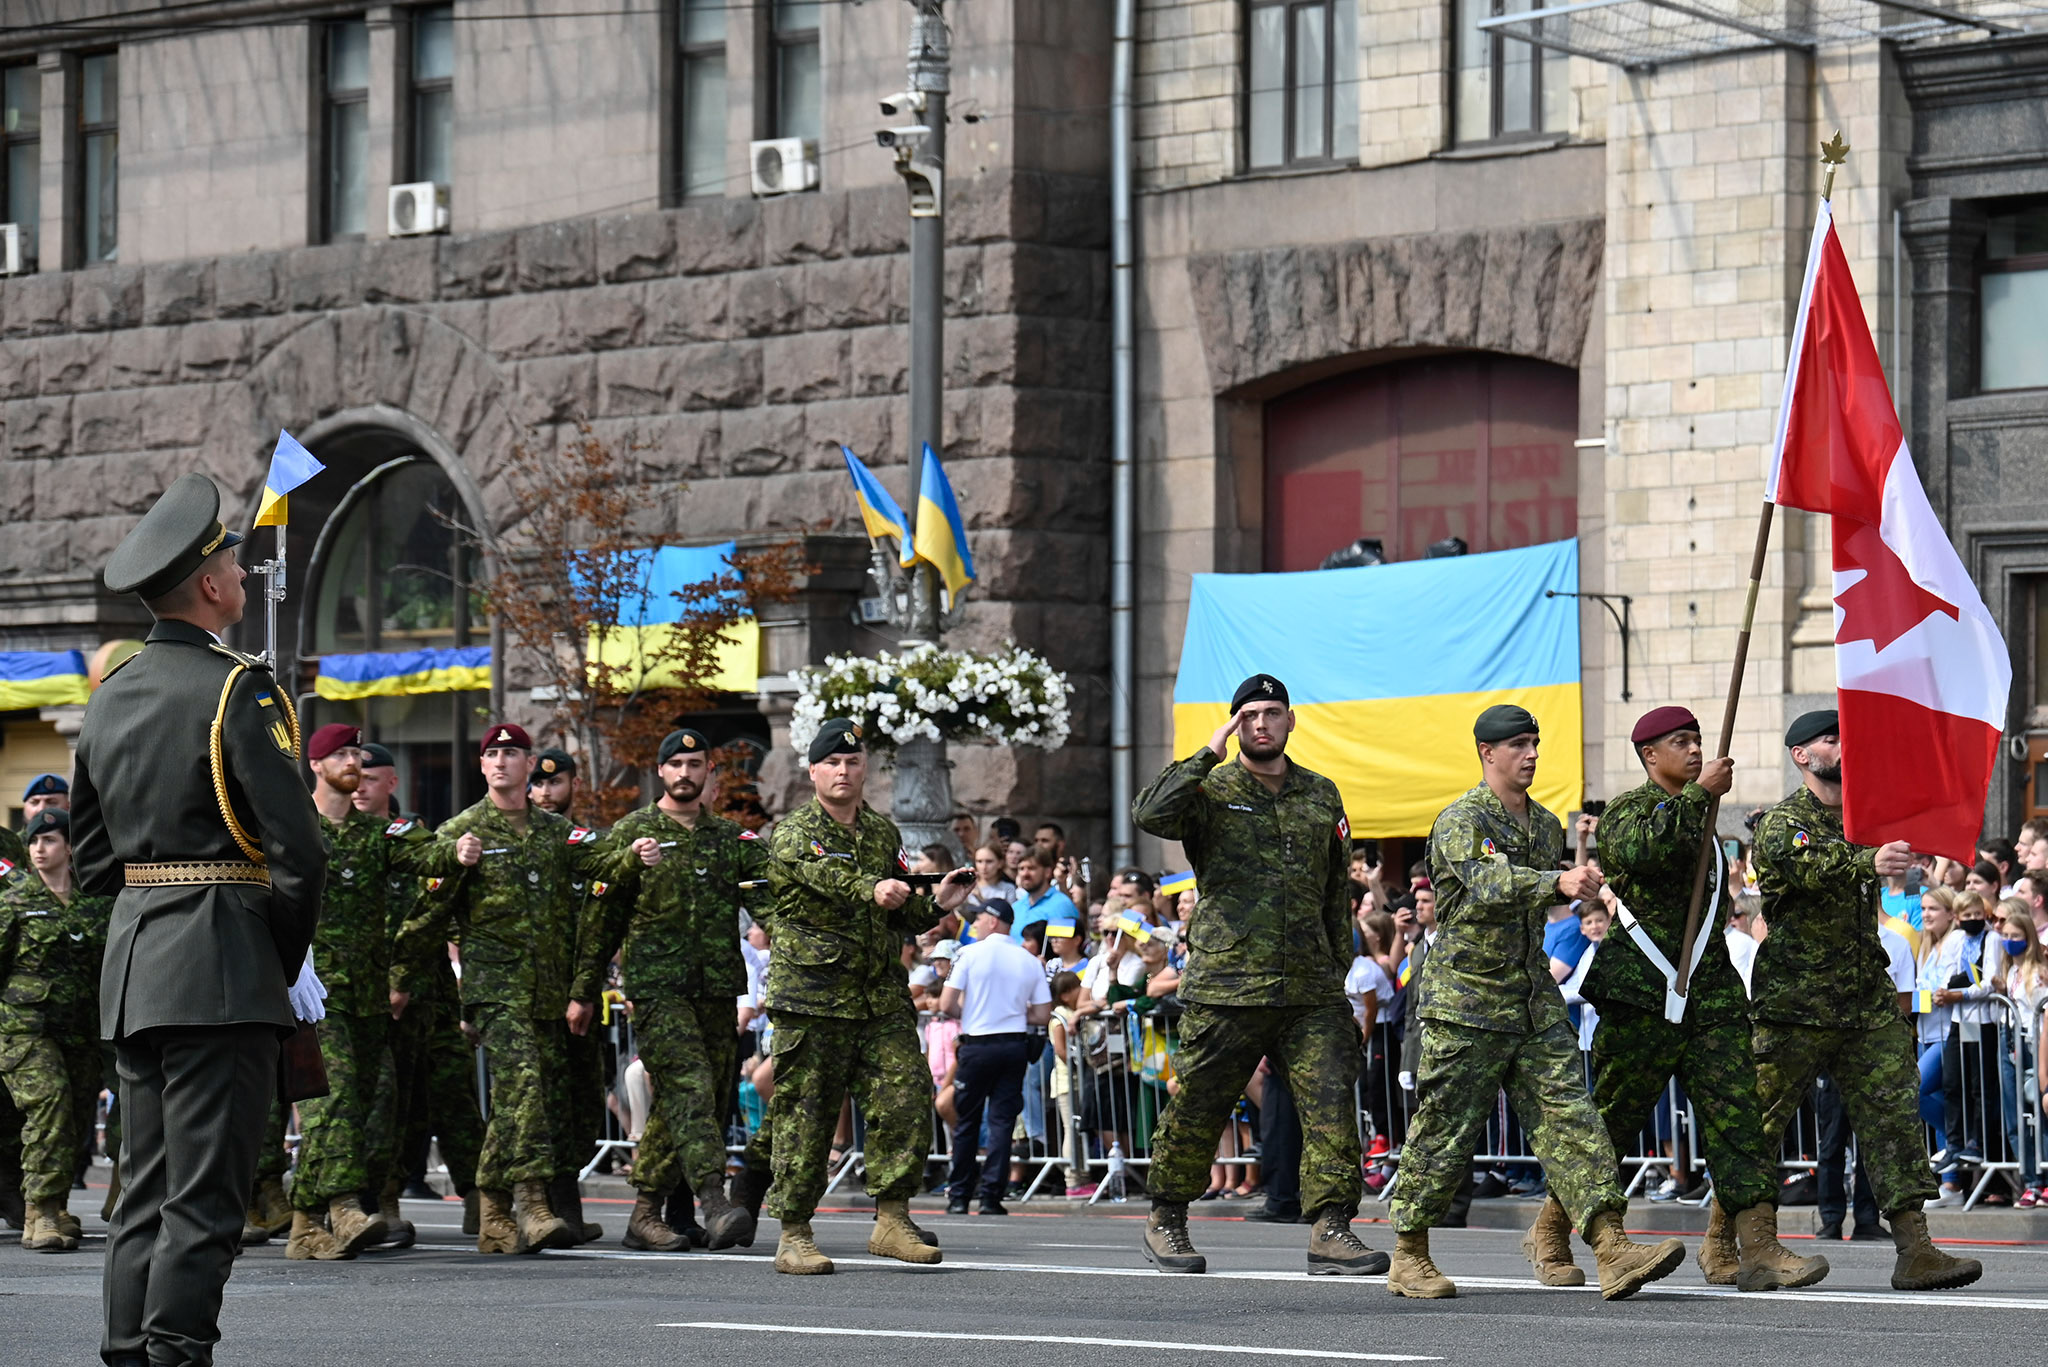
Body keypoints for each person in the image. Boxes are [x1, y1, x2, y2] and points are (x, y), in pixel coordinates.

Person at [70, 474, 327, 1367]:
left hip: (139, 963)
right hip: (222, 965)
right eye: (231, 560)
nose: (241, 573)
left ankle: (125, 1348)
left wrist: (153, 918)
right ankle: (177, 1352)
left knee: (141, 1184)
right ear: (210, 586)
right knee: (209, 1194)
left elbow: (94, 862)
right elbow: (301, 852)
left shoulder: (111, 695)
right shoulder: (238, 691)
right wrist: (278, 958)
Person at [1389, 704, 1684, 1301]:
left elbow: (1549, 892)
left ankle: (1610, 1245)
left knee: (1572, 1117)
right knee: (1445, 1128)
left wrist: (1588, 881)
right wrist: (1555, 882)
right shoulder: (1461, 821)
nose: (1530, 754)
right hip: (1466, 1002)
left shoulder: (1546, 825)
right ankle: (1409, 1250)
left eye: (1535, 743)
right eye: (1518, 744)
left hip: (1532, 1001)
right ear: (1487, 753)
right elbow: (1489, 883)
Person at [1130, 673, 1387, 1278]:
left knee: (1329, 1106)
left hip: (1309, 987)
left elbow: (1332, 889)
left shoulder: (1321, 793)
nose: (1262, 724)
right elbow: (1150, 813)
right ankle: (1166, 1215)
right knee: (1199, 1103)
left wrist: (1336, 969)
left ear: (1292, 721)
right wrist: (1205, 753)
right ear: (1235, 725)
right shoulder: (1210, 791)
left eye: (1273, 712)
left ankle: (1331, 1229)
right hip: (1229, 983)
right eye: (1249, 715)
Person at [1570, 705, 1826, 1292]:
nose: (1694, 751)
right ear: (1649, 756)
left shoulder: (1708, 826)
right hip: (1643, 993)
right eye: (1679, 743)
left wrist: (1704, 805)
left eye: (1697, 741)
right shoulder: (1630, 812)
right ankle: (1556, 1229)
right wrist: (1700, 797)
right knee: (1613, 1122)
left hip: (1708, 995)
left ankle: (1757, 1247)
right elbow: (1643, 851)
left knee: (1740, 1119)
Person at [394, 723, 656, 1255]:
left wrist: (635, 854)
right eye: (492, 754)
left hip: (546, 992)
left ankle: (492, 1210)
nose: (500, 762)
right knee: (525, 1088)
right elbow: (427, 908)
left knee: (521, 1102)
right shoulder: (462, 831)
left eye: (511, 754)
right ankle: (532, 1205)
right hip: (495, 989)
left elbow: (603, 864)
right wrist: (400, 974)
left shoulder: (553, 831)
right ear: (482, 765)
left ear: (528, 763)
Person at [1749, 709, 1980, 1290]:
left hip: (1863, 1000)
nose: (1842, 746)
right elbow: (1804, 865)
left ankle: (1915, 1248)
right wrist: (1865, 859)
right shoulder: (1784, 822)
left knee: (1895, 1119)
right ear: (1802, 754)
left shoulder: (1863, 817)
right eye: (1830, 739)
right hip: (1795, 1002)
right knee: (1760, 1124)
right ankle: (1745, 1242)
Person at [758, 718, 973, 1274]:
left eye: (853, 762)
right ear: (813, 772)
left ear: (865, 771)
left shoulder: (882, 834)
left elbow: (900, 914)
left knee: (905, 1093)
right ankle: (794, 1231)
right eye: (832, 762)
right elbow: (821, 878)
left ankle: (892, 1218)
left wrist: (940, 903)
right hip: (813, 996)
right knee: (807, 1111)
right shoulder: (791, 833)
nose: (844, 770)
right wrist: (870, 888)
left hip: (878, 995)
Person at [571, 727, 767, 1252]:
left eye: (695, 764)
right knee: (691, 1087)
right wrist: (584, 991)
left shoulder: (729, 839)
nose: (685, 773)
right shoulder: (633, 831)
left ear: (708, 773)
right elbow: (601, 914)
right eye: (675, 765)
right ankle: (714, 1199)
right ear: (660, 771)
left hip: (717, 989)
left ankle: (651, 1214)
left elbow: (775, 900)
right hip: (658, 990)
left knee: (696, 1101)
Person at [287, 723, 444, 1260]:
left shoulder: (377, 833)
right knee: (334, 1102)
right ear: (316, 764)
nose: (354, 762)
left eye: (358, 753)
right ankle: (344, 1206)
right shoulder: (290, 826)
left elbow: (435, 860)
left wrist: (464, 851)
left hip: (368, 994)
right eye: (343, 754)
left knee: (372, 1106)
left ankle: (305, 1224)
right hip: (311, 993)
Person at [361, 743, 484, 1235]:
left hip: (427, 995)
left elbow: (439, 916)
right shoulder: (340, 839)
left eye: (373, 778)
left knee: (448, 1099)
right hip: (365, 996)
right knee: (383, 1102)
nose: (361, 785)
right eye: (357, 776)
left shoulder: (416, 841)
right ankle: (380, 1199)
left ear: (392, 783)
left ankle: (479, 1198)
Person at [0, 809, 108, 1251]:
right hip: (24, 1030)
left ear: (69, 847)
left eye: (49, 840)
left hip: (80, 1031)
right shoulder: (14, 902)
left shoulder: (94, 904)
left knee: (76, 1116)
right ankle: (39, 1211)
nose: (39, 849)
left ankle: (57, 1206)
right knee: (52, 1105)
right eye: (33, 842)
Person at [525, 745, 611, 1232]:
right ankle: (550, 1208)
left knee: (583, 1101)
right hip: (534, 998)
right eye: (537, 783)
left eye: (553, 783)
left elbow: (600, 926)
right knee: (541, 1101)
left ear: (573, 784)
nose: (544, 793)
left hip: (583, 995)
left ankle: (566, 1203)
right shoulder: (525, 844)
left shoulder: (586, 846)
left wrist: (585, 990)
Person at [939, 898, 1053, 1214]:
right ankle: (991, 1197)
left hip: (978, 1044)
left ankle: (959, 1196)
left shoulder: (968, 954)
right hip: (1013, 1044)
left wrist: (975, 1011)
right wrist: (1013, 1012)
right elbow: (1043, 1014)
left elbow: (946, 1005)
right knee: (1002, 1122)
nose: (974, 925)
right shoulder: (1028, 959)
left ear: (993, 921)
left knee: (967, 1121)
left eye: (978, 919)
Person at [1014, 848, 1080, 938]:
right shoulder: (1016, 907)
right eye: (1021, 869)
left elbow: (1066, 948)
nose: (1025, 874)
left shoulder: (1061, 905)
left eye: (1031, 868)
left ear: (1047, 872)